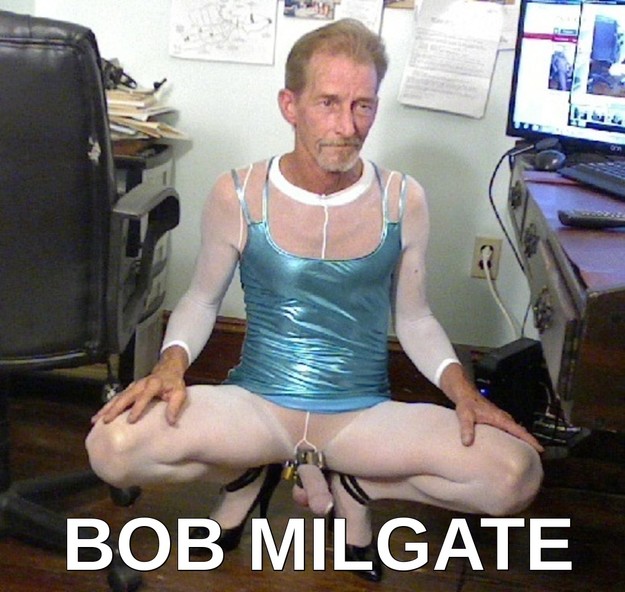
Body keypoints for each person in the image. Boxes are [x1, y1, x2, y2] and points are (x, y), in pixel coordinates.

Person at [87, 18, 543, 582]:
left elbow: (416, 317)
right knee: (111, 447)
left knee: (515, 475)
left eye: (362, 106)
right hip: (257, 407)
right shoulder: (239, 193)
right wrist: (169, 367)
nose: (347, 126)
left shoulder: (403, 199)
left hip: (361, 417)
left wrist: (464, 394)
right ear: (291, 105)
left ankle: (357, 486)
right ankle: (245, 476)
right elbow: (201, 301)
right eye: (328, 103)